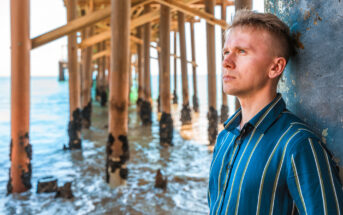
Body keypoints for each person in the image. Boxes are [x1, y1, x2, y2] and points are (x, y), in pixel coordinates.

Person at [208, 10, 343, 215]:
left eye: (242, 51)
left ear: (275, 67)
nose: (226, 62)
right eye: (226, 52)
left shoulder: (297, 144)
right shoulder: (224, 137)